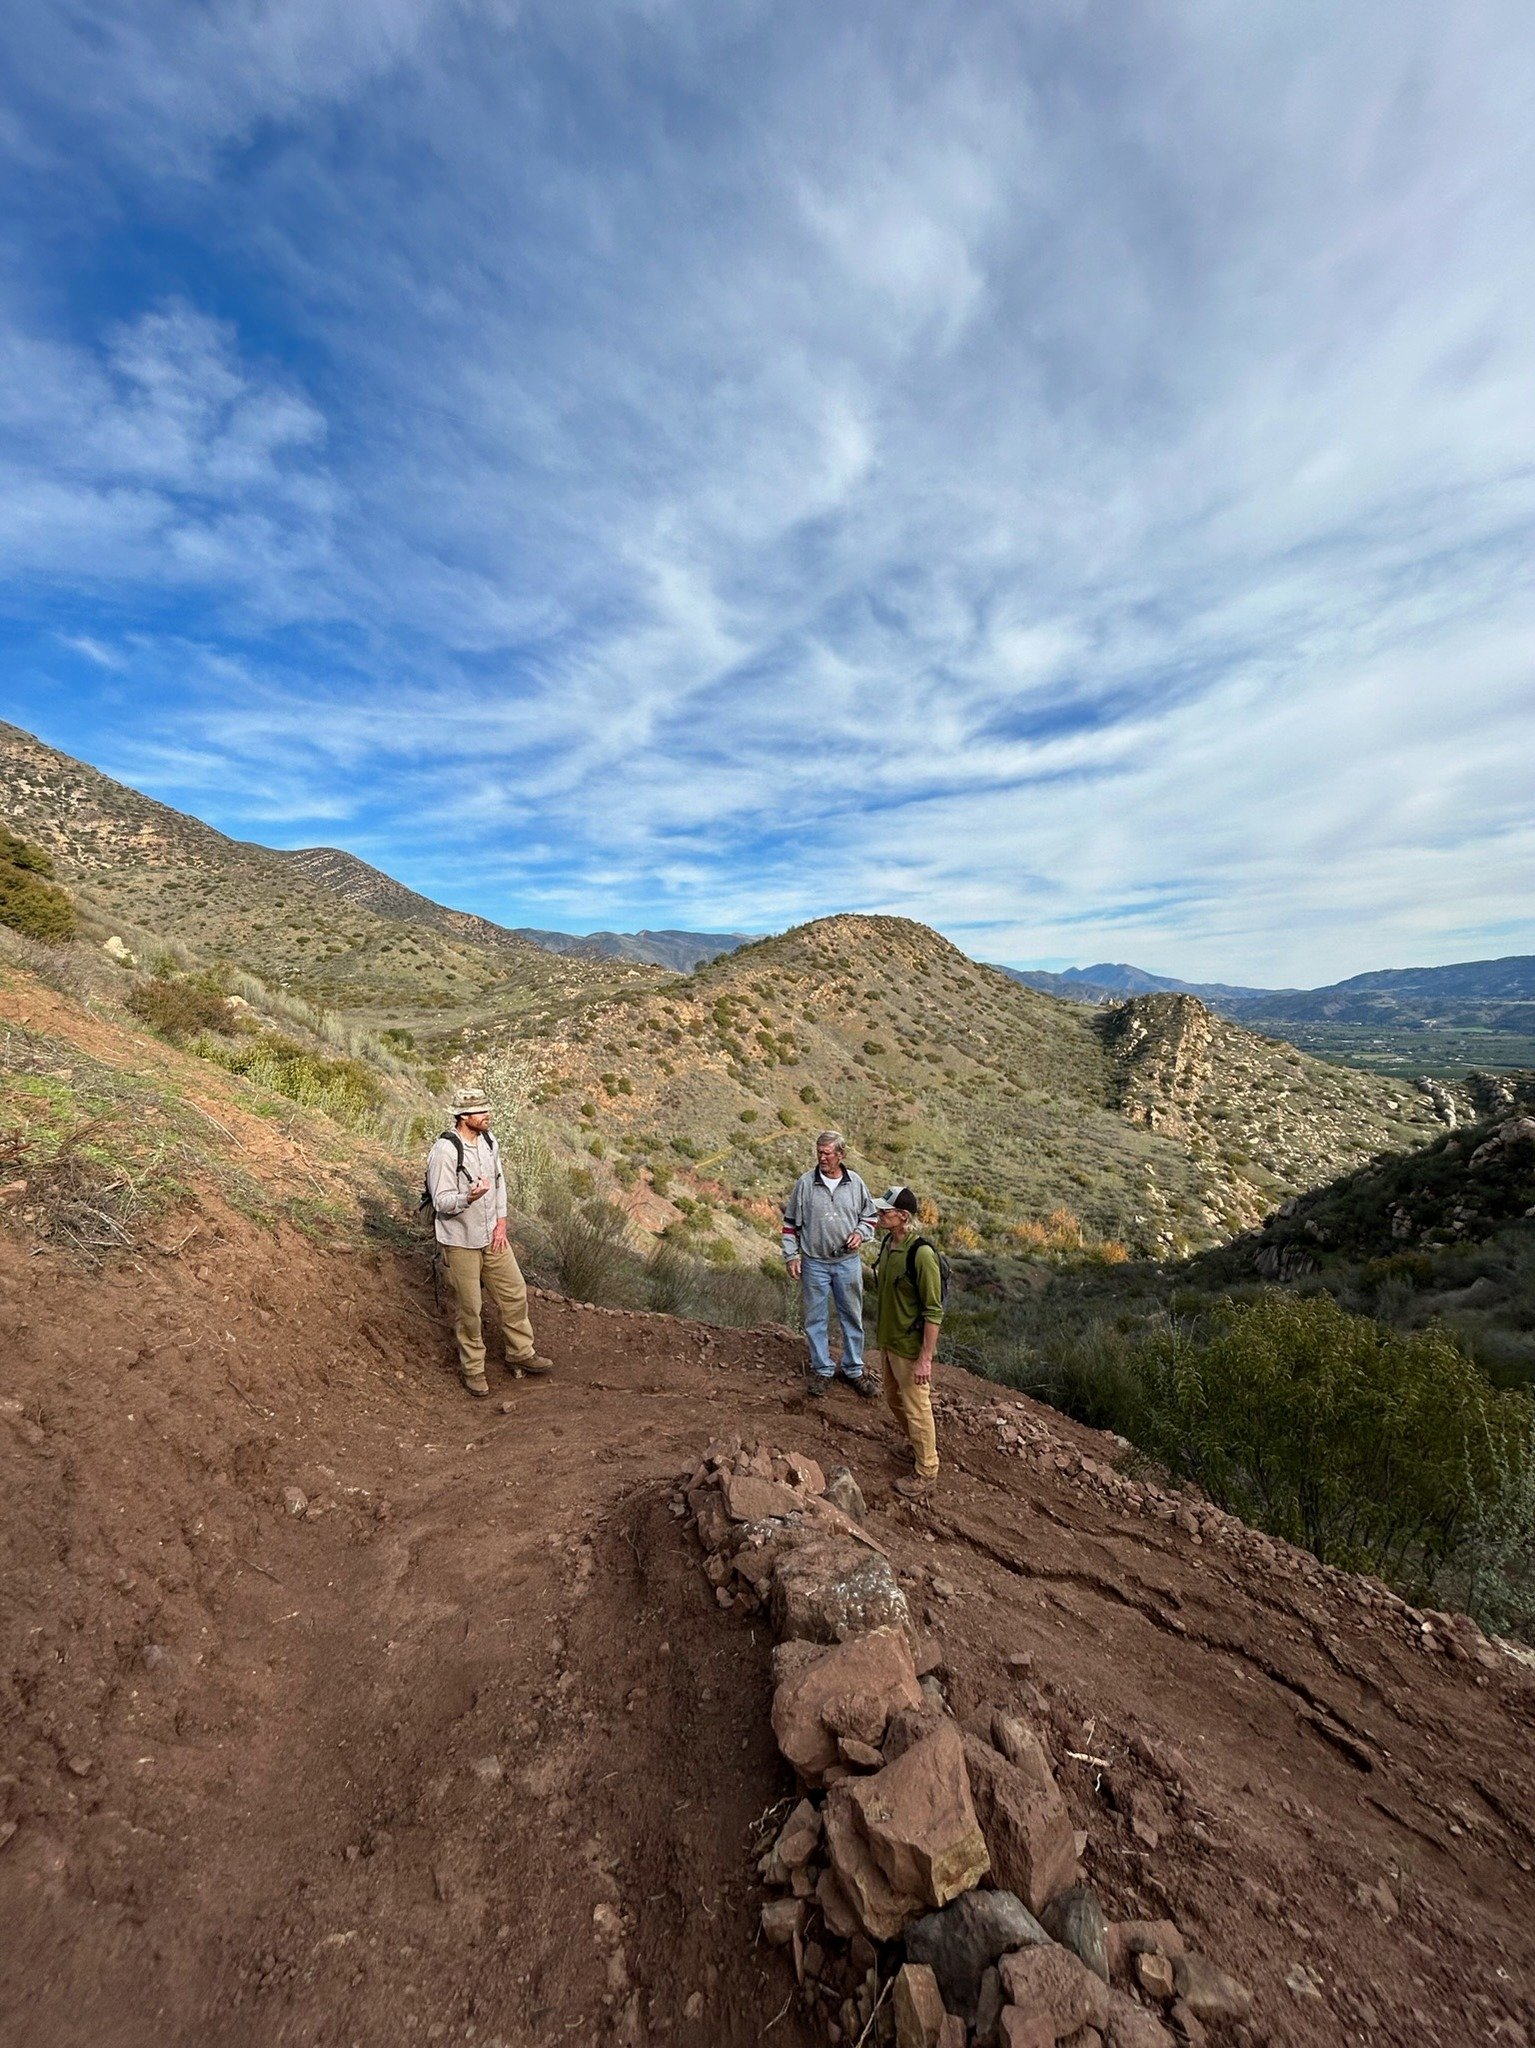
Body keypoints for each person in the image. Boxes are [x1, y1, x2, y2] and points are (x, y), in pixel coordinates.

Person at [426, 1086, 553, 1398]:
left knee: (514, 1292)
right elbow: (440, 1201)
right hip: (460, 1241)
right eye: (481, 1111)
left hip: (491, 1235)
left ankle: (521, 1352)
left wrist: (502, 1221)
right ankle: (473, 1370)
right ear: (464, 1116)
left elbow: (499, 1183)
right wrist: (467, 1198)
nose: (487, 1115)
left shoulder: (489, 1141)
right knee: (470, 1309)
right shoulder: (444, 1151)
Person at [781, 1130, 879, 1398]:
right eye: (818, 1152)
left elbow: (870, 1217)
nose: (821, 1157)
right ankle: (823, 1369)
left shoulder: (856, 1183)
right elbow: (790, 1224)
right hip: (814, 1263)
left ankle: (853, 1369)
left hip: (848, 1263)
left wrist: (860, 1234)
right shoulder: (805, 1183)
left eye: (827, 1153)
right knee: (815, 1318)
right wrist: (791, 1255)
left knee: (851, 1316)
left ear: (841, 1154)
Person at [870, 1186, 943, 1496]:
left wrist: (925, 1357)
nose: (879, 1215)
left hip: (909, 1348)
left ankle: (926, 1471)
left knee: (916, 1407)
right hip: (889, 1340)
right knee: (893, 1399)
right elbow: (883, 1285)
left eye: (885, 1211)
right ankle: (915, 1446)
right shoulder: (889, 1244)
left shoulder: (921, 1254)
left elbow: (933, 1311)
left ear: (903, 1216)